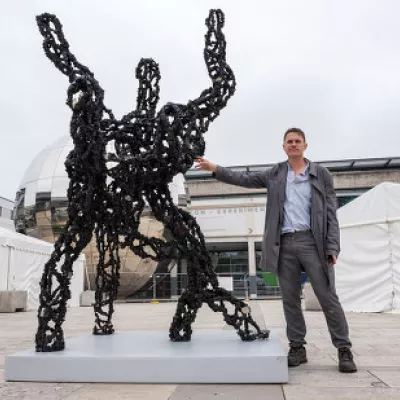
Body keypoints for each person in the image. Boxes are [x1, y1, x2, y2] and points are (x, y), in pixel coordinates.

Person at [194, 127, 357, 373]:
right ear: (284, 147)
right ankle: (297, 347)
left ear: (305, 145)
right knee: (290, 299)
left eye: (297, 141)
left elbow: (331, 214)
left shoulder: (321, 174)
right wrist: (215, 168)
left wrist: (333, 245)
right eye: (289, 142)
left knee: (327, 297)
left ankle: (343, 349)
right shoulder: (276, 173)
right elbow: (245, 180)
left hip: (314, 243)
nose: (293, 145)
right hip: (284, 244)